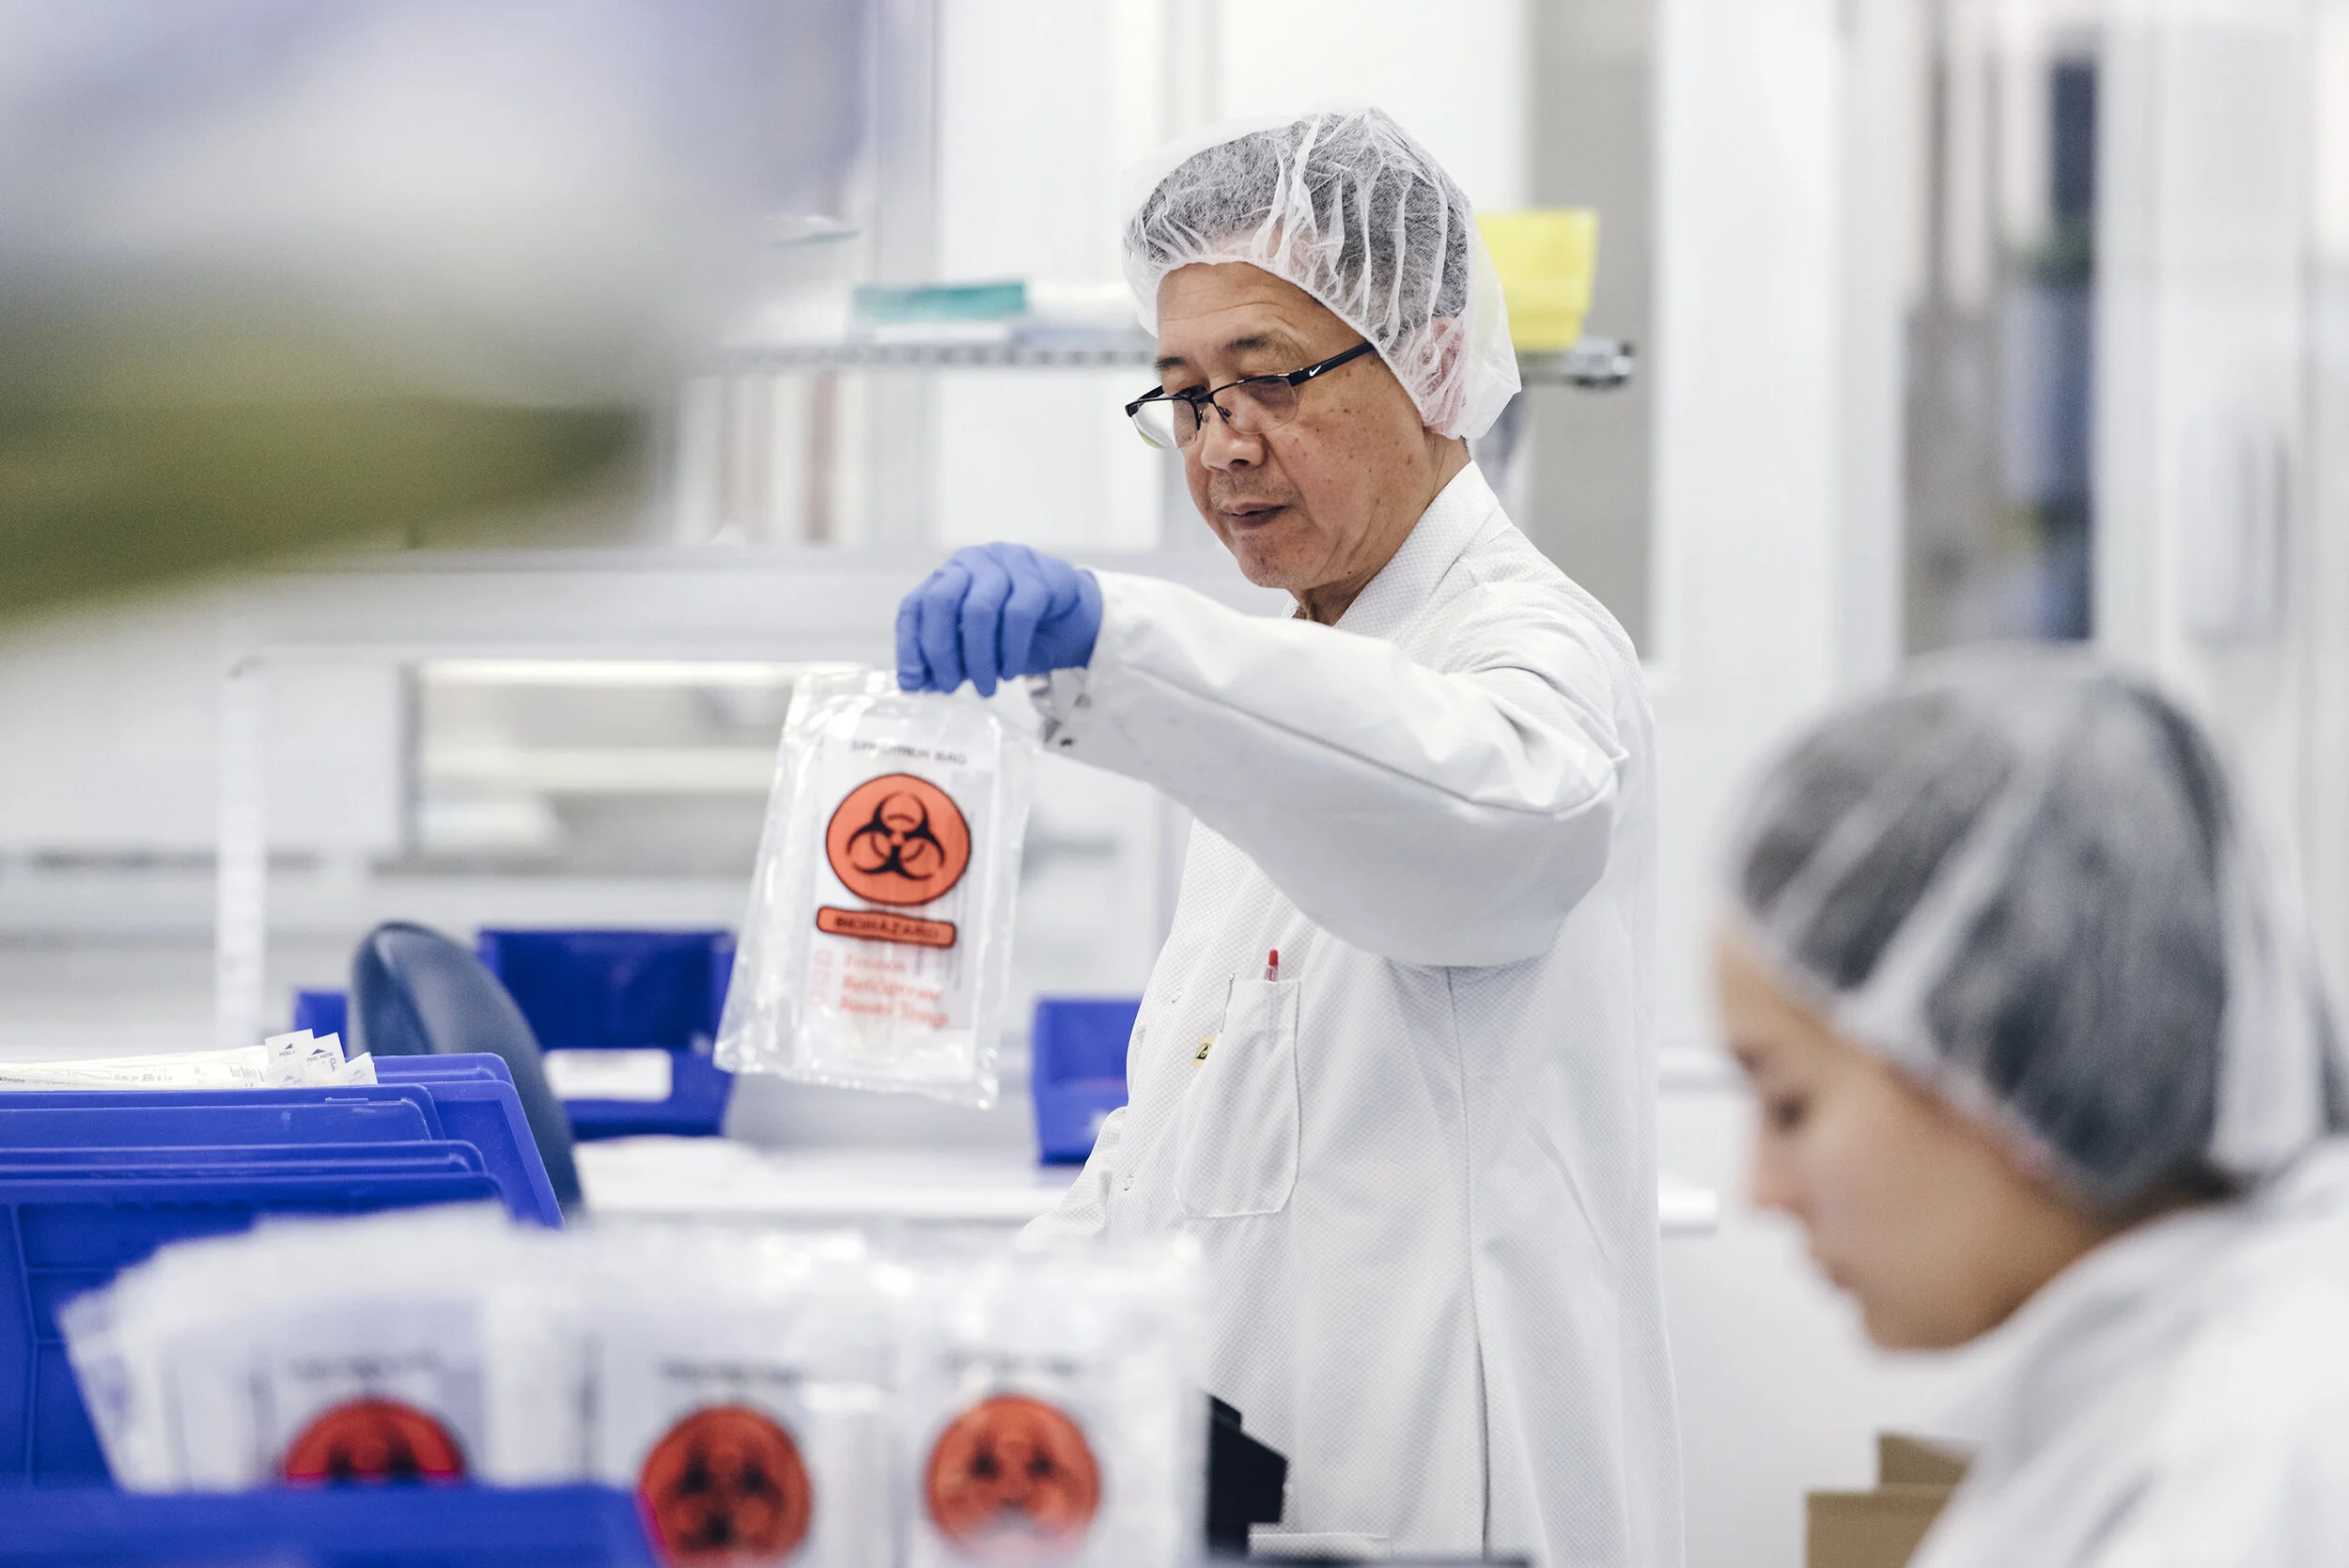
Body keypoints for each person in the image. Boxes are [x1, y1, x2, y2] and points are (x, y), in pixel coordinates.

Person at [894, 107, 1680, 1565]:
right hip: (1265, 1488)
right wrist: (984, 1337)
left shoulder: (1529, 650)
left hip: (1442, 1501)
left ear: (1432, 361)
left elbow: (1480, 824)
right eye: (1185, 396)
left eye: (1268, 379)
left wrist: (1120, 639)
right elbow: (1179, 1133)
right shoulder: (1301, 679)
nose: (1222, 445)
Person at [1719, 645, 2349, 1567]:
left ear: (1991, 1051)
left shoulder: (2249, 1467)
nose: (1761, 1191)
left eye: (1790, 1105)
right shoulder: (2158, 1398)